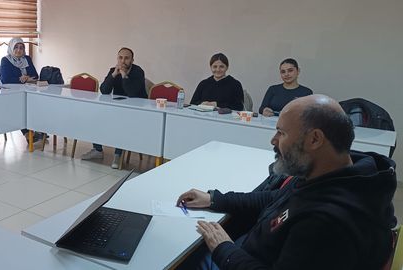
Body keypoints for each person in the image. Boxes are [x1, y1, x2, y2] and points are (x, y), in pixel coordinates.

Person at [176, 94, 396, 270]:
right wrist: (214, 198)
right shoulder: (331, 173)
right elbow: (275, 198)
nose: (273, 140)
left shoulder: (325, 224)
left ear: (315, 139)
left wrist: (224, 249)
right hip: (249, 250)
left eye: (281, 133)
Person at [80, 47, 147, 169]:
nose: (123, 61)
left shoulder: (138, 72)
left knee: (121, 122)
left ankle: (118, 155)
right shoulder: (113, 70)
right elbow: (104, 90)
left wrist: (124, 76)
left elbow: (131, 93)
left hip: (137, 110)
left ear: (132, 60)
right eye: (120, 58)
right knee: (94, 117)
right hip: (118, 107)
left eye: (126, 58)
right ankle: (97, 150)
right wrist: (114, 74)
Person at [0, 37, 42, 142]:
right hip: (10, 92)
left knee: (36, 104)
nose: (19, 50)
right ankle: (27, 133)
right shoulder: (5, 60)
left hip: (28, 90)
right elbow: (6, 79)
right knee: (19, 107)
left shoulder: (27, 59)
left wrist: (26, 78)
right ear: (11, 48)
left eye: (21, 48)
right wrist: (21, 79)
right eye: (16, 47)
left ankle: (38, 129)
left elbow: (35, 75)